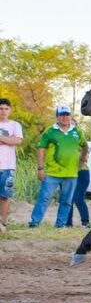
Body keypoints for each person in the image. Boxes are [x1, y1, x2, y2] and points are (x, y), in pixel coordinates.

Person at [30, 106, 86, 228]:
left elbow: (85, 146)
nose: (65, 117)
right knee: (44, 199)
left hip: (71, 174)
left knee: (66, 201)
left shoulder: (77, 132)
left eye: (67, 115)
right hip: (52, 173)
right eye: (62, 115)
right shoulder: (50, 131)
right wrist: (40, 168)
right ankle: (34, 223)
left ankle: (60, 225)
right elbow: (41, 150)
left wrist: (81, 162)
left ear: (70, 116)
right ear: (57, 117)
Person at [0, 97, 24, 233]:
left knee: (5, 195)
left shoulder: (15, 125)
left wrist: (2, 139)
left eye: (6, 109)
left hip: (8, 166)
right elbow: (12, 140)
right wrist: (8, 140)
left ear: (10, 110)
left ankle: (3, 223)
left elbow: (18, 140)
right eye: (1, 109)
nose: (3, 111)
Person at [65, 154, 91, 227]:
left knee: (78, 198)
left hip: (82, 172)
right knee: (69, 198)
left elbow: (85, 157)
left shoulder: (81, 143)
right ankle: (68, 223)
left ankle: (85, 222)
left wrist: (78, 167)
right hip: (69, 172)